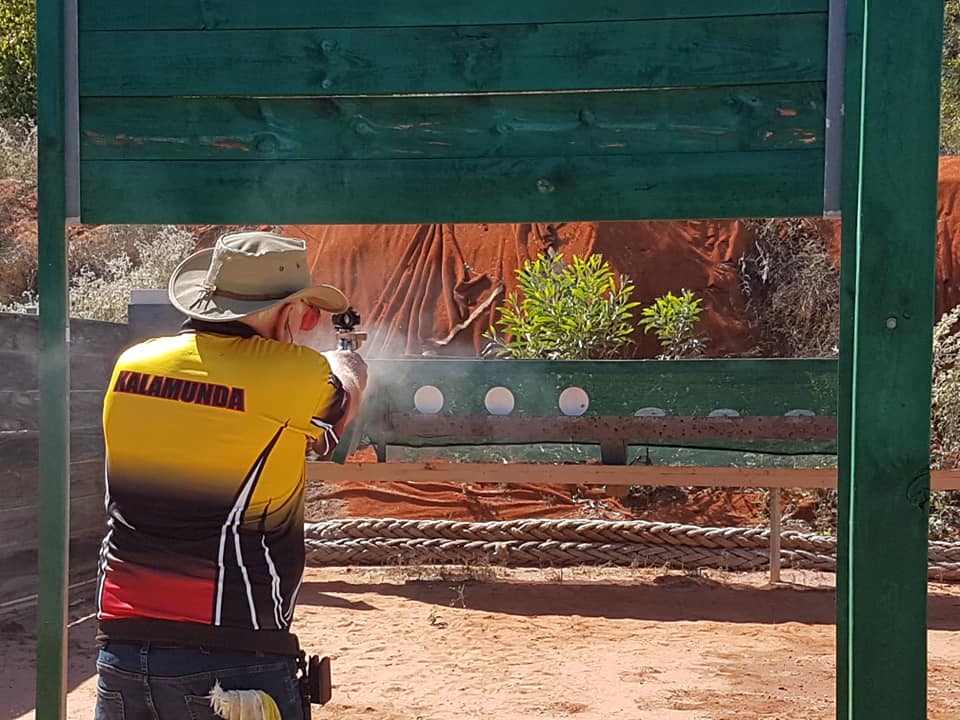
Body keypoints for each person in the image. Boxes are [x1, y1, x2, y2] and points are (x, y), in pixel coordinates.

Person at [93, 232, 367, 720]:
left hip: (121, 652)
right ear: (286, 313)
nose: (303, 329)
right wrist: (344, 363)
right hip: (236, 655)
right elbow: (340, 414)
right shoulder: (297, 374)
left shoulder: (130, 364)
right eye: (305, 316)